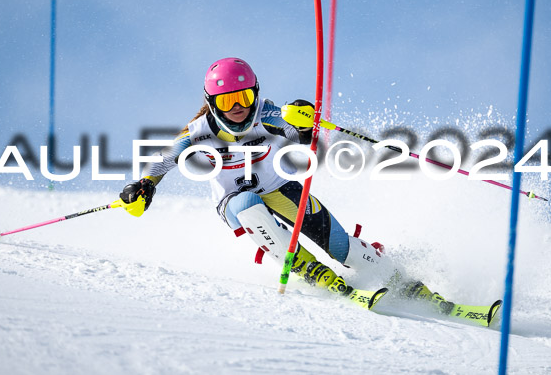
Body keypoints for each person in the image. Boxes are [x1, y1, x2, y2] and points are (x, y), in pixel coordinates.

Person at [119, 57, 454, 313]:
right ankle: (310, 269)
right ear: (211, 103)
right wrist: (145, 185)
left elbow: (304, 145)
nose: (237, 108)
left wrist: (306, 124)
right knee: (248, 205)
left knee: (340, 245)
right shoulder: (197, 133)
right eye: (225, 102)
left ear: (256, 93)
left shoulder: (270, 115)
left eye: (243, 96)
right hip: (235, 203)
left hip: (280, 188)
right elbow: (162, 161)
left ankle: (402, 282)